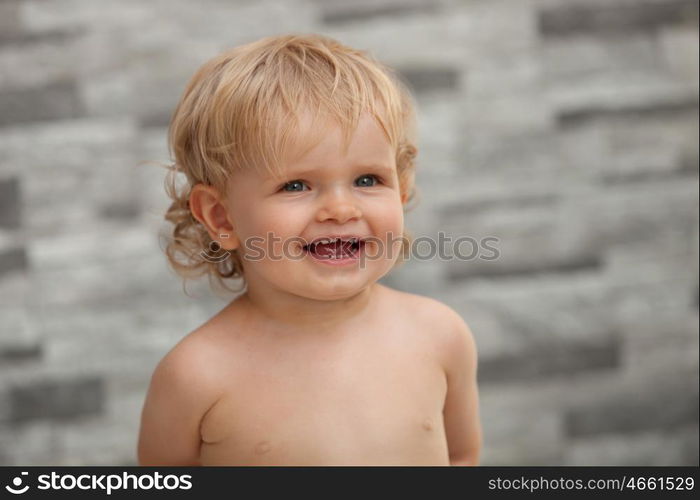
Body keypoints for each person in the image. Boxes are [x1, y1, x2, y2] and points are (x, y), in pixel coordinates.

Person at [137, 33, 481, 466]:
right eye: (295, 185)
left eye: (368, 180)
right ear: (222, 218)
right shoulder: (196, 376)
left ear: (403, 188)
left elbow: (463, 458)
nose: (340, 208)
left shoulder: (440, 335)